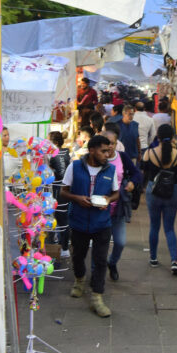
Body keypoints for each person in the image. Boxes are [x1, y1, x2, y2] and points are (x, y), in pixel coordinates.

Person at [59, 135, 119, 318]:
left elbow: (116, 193)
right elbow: (63, 191)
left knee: (100, 261)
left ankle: (97, 297)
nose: (107, 155)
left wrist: (108, 199)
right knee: (78, 256)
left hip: (102, 223)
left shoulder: (111, 169)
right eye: (103, 151)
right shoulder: (75, 167)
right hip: (78, 221)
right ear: (91, 150)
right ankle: (79, 279)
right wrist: (77, 198)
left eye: (108, 151)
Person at [142, 124, 177, 275]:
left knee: (154, 226)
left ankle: (153, 258)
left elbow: (144, 171)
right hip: (172, 192)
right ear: (172, 137)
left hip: (153, 192)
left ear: (158, 137)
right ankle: (174, 261)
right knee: (169, 228)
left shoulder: (149, 152)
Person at [99, 129, 142, 281]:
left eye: (113, 143)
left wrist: (132, 182)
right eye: (107, 143)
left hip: (118, 210)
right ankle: (97, 275)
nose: (110, 146)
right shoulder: (96, 159)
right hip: (100, 211)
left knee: (120, 242)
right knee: (101, 245)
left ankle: (112, 262)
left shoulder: (122, 157)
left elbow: (137, 173)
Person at [48, 131, 71, 258]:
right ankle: (63, 246)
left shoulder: (54, 154)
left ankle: (63, 247)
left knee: (61, 218)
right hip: (67, 189)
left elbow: (59, 173)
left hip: (58, 189)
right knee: (63, 218)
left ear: (55, 143)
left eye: (49, 141)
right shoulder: (66, 152)